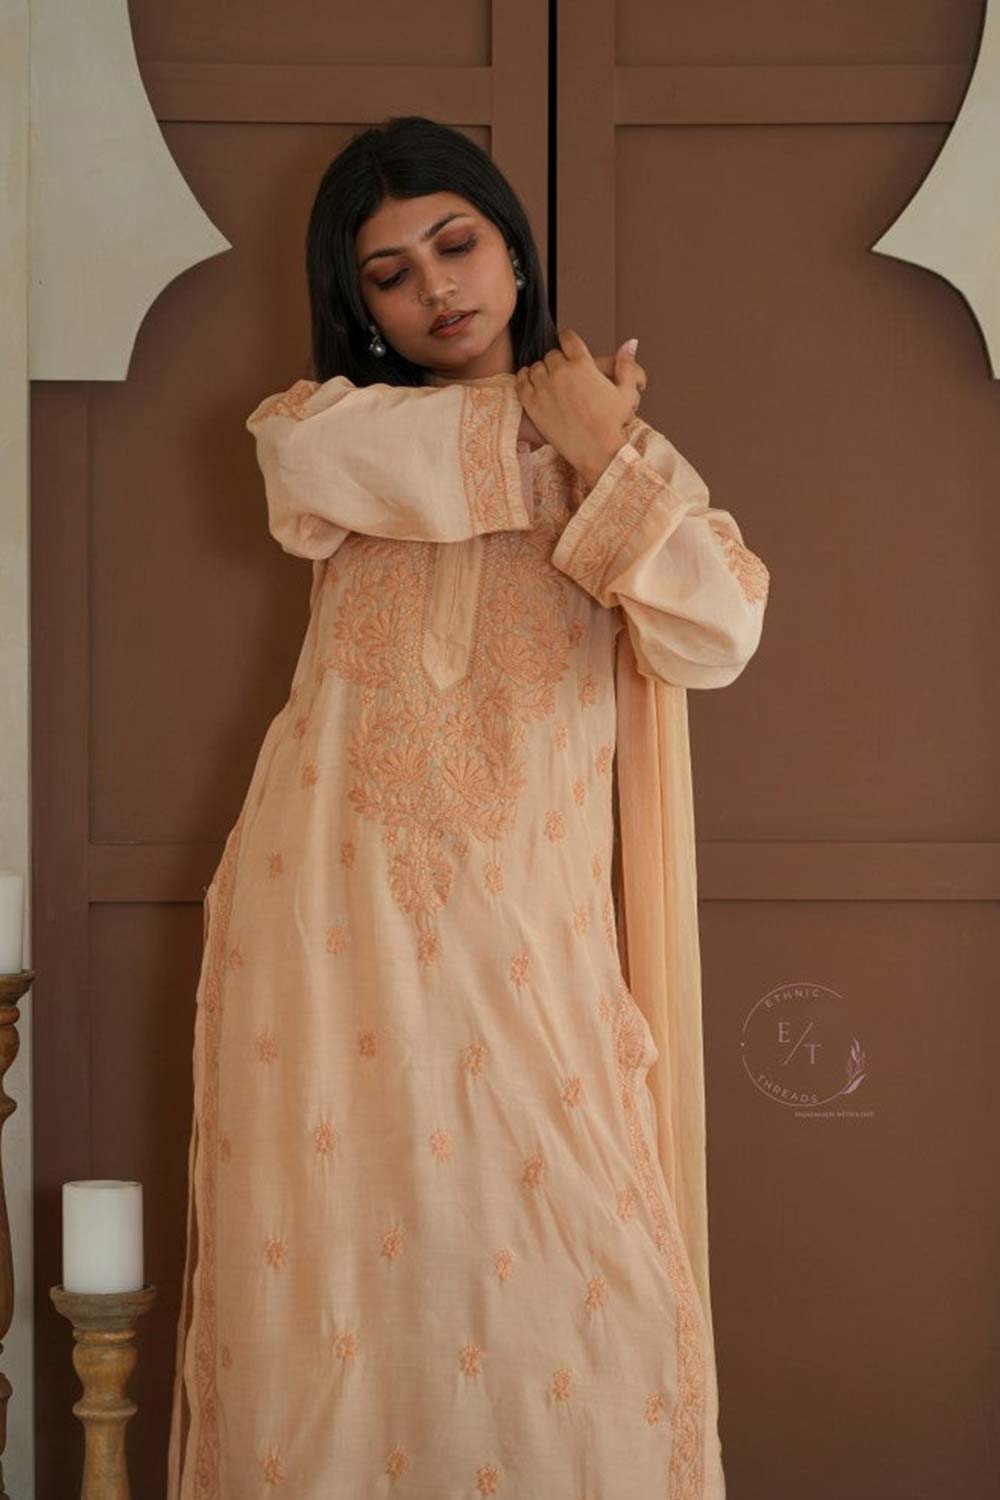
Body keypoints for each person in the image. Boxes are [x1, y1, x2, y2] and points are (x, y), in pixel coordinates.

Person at [167, 114, 769, 1500]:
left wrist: (608, 451)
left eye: (458, 245)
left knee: (577, 1279)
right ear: (357, 304)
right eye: (389, 273)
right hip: (328, 936)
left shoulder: (623, 461)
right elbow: (305, 471)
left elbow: (718, 631)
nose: (437, 288)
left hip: (524, 937)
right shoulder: (329, 433)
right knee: (332, 1280)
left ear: (513, 249)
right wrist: (571, 430)